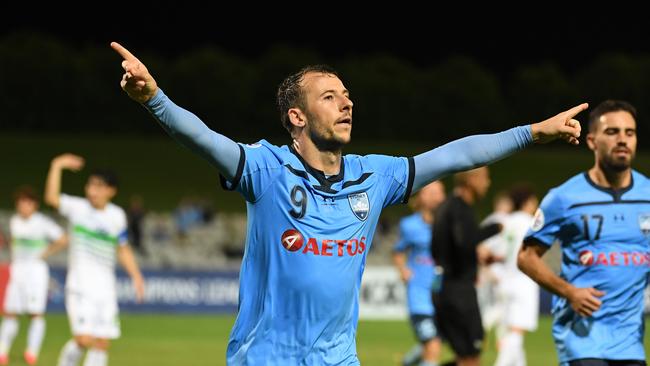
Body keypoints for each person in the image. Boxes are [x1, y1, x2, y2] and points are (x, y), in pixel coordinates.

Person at [111, 41, 585, 364]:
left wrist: (531, 132)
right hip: (266, 356)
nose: (346, 103)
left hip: (339, 357)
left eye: (348, 96)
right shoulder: (266, 169)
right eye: (330, 96)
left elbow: (456, 154)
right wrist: (154, 98)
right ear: (296, 116)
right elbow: (205, 140)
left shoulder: (374, 175)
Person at [518, 100, 649, 366]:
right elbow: (526, 257)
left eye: (629, 132)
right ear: (592, 141)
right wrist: (569, 292)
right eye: (612, 132)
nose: (622, 139)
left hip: (630, 344)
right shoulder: (565, 197)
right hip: (582, 341)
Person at [44, 154, 145, 366]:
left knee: (102, 343)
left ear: (111, 191)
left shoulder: (117, 216)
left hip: (105, 289)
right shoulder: (77, 208)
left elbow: (123, 248)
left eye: (99, 186)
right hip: (80, 286)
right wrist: (57, 165)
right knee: (83, 339)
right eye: (90, 184)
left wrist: (136, 276)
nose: (92, 190)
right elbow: (51, 198)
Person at [430, 166, 501, 366]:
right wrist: (493, 229)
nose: (488, 183)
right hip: (459, 291)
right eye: (485, 178)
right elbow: (464, 243)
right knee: (471, 357)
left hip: (443, 287)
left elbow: (447, 246)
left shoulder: (445, 207)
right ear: (472, 179)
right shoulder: (460, 208)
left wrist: (476, 255)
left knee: (464, 356)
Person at [0, 186, 68, 365]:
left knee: (35, 313)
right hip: (17, 270)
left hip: (36, 272)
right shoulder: (14, 221)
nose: (23, 207)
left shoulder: (42, 222)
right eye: (20, 203)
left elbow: (63, 239)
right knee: (10, 313)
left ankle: (31, 352)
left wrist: (46, 253)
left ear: (34, 205)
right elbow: (12, 244)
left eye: (26, 203)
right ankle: (2, 351)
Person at [392, 181, 446, 366]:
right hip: (419, 296)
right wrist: (403, 269)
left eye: (440, 192)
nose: (437, 196)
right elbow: (398, 251)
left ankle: (408, 362)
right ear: (422, 196)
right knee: (432, 346)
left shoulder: (447, 226)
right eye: (432, 192)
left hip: (441, 296)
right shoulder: (409, 225)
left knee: (436, 341)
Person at [493, 184, 539, 366]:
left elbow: (499, 251)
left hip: (506, 280)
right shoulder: (531, 222)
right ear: (527, 202)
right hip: (524, 281)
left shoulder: (508, 221)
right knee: (516, 333)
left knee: (512, 334)